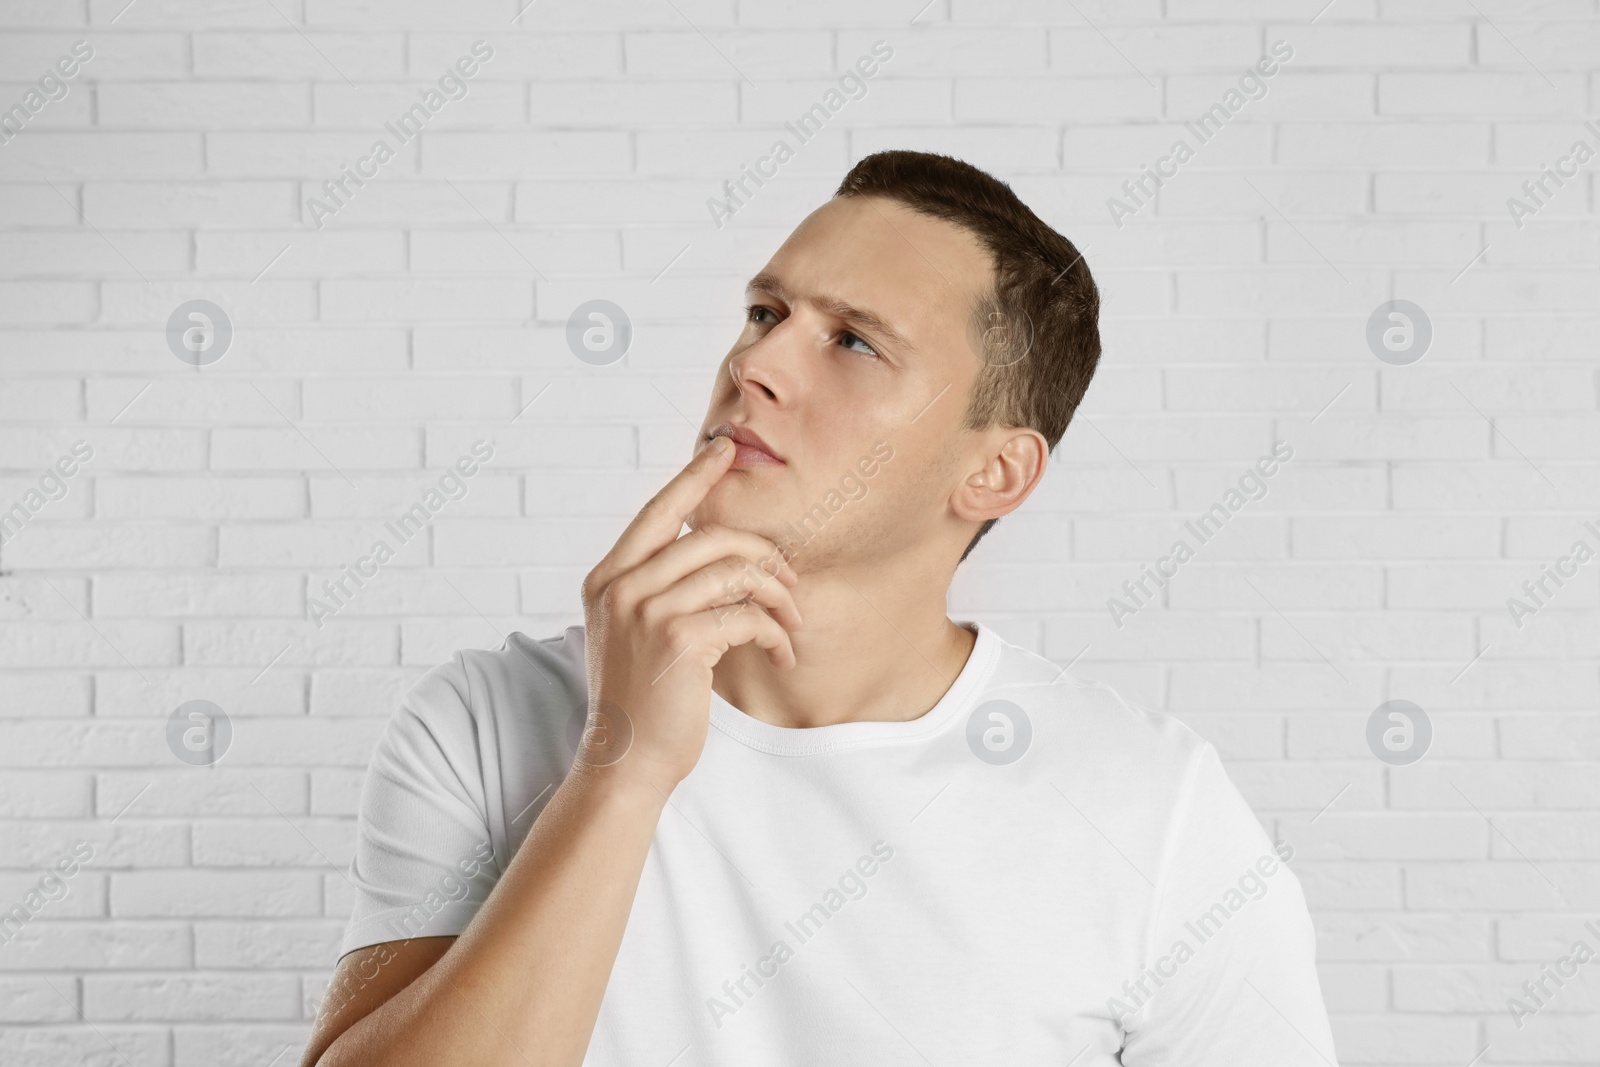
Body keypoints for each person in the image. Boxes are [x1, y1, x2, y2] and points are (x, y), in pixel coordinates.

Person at [300, 150, 1339, 1066]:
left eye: (852, 342)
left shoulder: (1153, 809)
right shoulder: (486, 720)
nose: (754, 365)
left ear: (993, 472)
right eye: (765, 313)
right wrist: (623, 771)